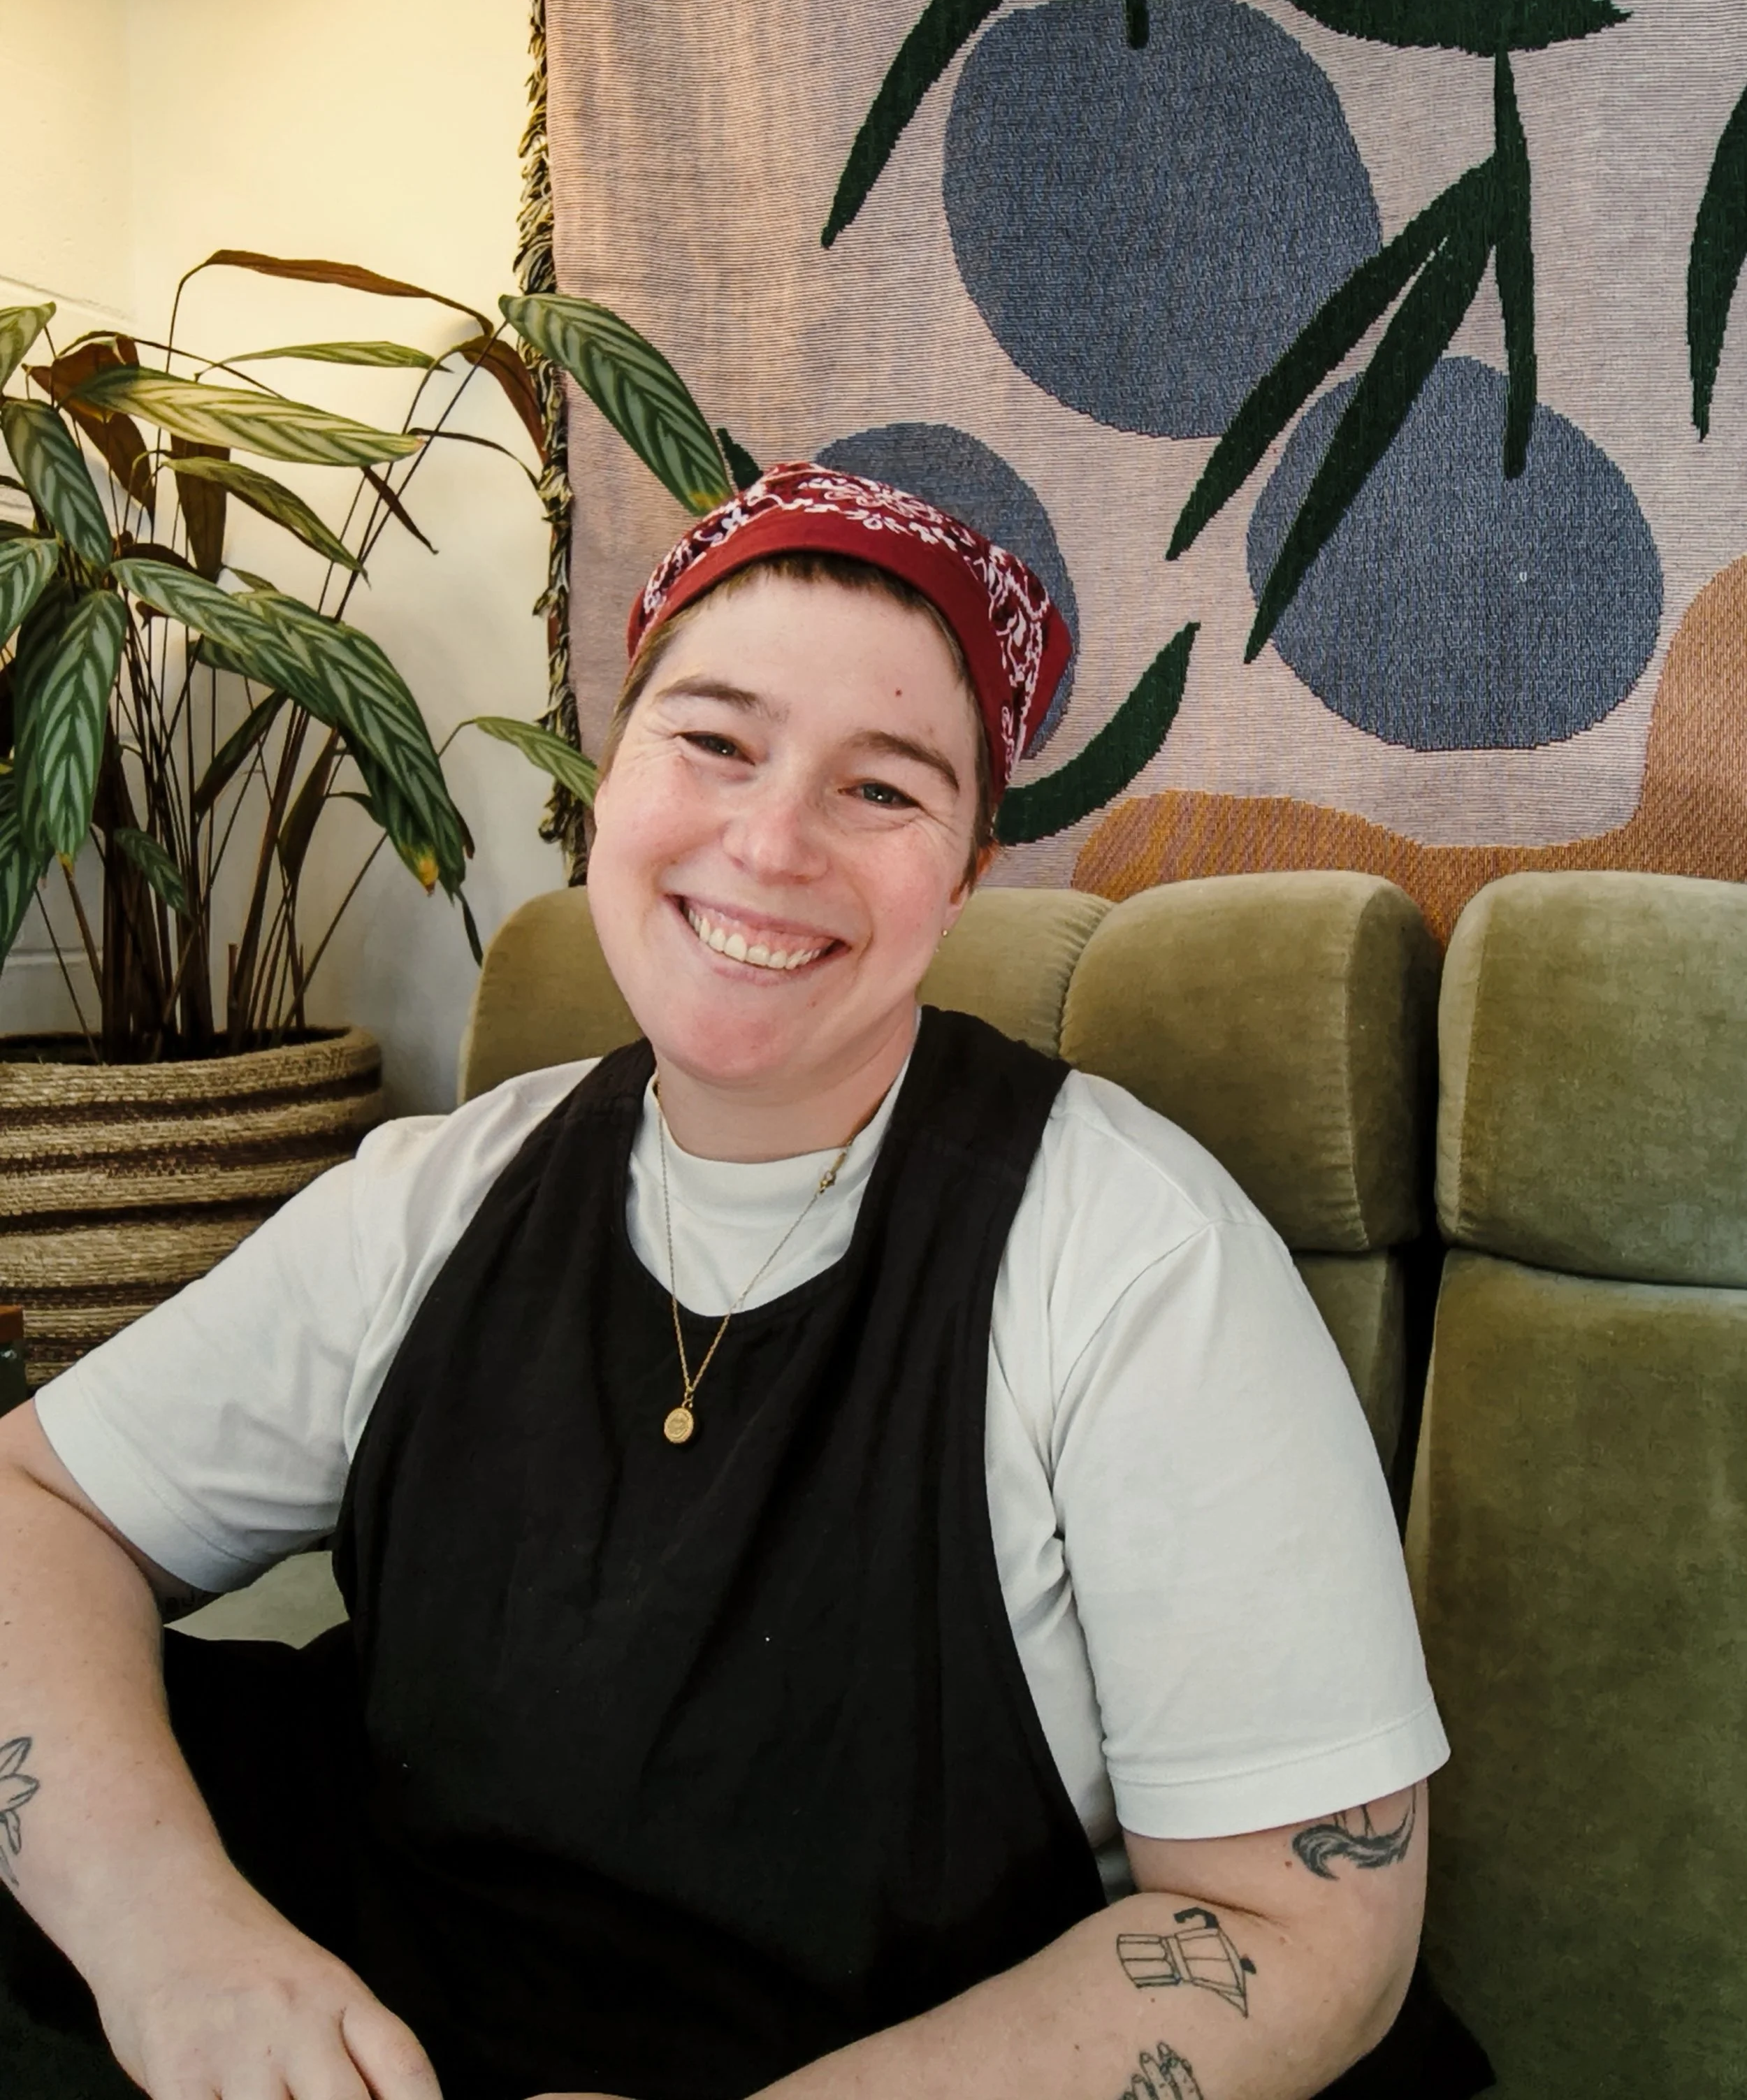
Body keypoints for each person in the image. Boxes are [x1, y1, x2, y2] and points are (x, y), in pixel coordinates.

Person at [0, 465, 1484, 2100]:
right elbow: (36, 1501)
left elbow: (1304, 1929)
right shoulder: (437, 1193)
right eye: (712, 740)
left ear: (967, 869)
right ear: (604, 777)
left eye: (883, 789)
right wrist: (177, 1945)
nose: (768, 842)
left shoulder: (1137, 1261)